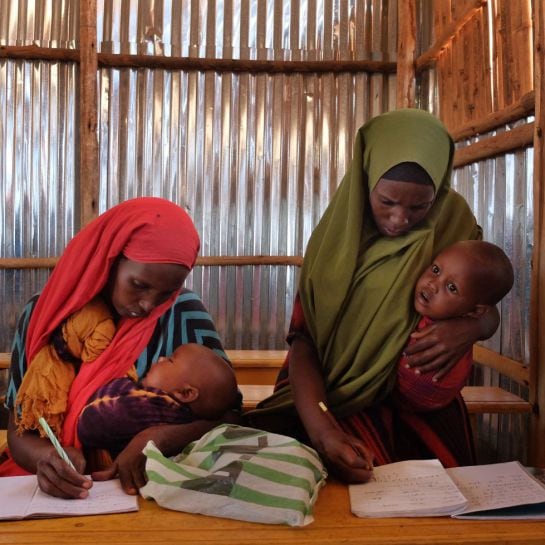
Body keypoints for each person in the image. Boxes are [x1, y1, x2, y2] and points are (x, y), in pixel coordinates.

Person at [247, 109, 501, 483]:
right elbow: (304, 344)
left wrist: (475, 327)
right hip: (328, 401)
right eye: (387, 201)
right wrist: (324, 431)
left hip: (422, 412)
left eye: (420, 206)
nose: (400, 219)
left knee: (440, 518)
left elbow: (485, 299)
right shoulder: (335, 242)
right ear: (365, 180)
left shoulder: (454, 224)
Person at [1, 197, 239, 499]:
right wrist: (45, 461)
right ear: (109, 260)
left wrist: (158, 438)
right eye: (139, 285)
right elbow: (20, 431)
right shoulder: (44, 315)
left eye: (167, 292)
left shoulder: (184, 313)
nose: (149, 304)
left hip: (148, 491)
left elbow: (230, 416)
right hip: (55, 494)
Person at [395, 240, 514, 412]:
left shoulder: (433, 337)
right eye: (435, 270)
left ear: (474, 311)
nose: (432, 284)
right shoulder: (450, 319)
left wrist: (476, 327)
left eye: (451, 287)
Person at [77, 343, 239, 457]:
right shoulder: (185, 416)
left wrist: (122, 377)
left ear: (186, 393)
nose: (161, 358)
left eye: (170, 360)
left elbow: (93, 417)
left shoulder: (154, 406)